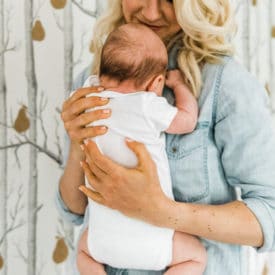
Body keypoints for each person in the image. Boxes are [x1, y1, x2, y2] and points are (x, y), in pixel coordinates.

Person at [57, 1, 275, 274]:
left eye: (170, 0)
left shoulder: (224, 84)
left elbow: (270, 213)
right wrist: (79, 145)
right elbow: (73, 211)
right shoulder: (91, 81)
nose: (150, 12)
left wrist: (162, 211)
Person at [75, 23, 206, 275]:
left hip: (103, 240)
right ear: (156, 83)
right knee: (195, 257)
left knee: (82, 251)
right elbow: (187, 121)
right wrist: (179, 85)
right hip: (154, 237)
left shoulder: (87, 99)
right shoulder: (147, 105)